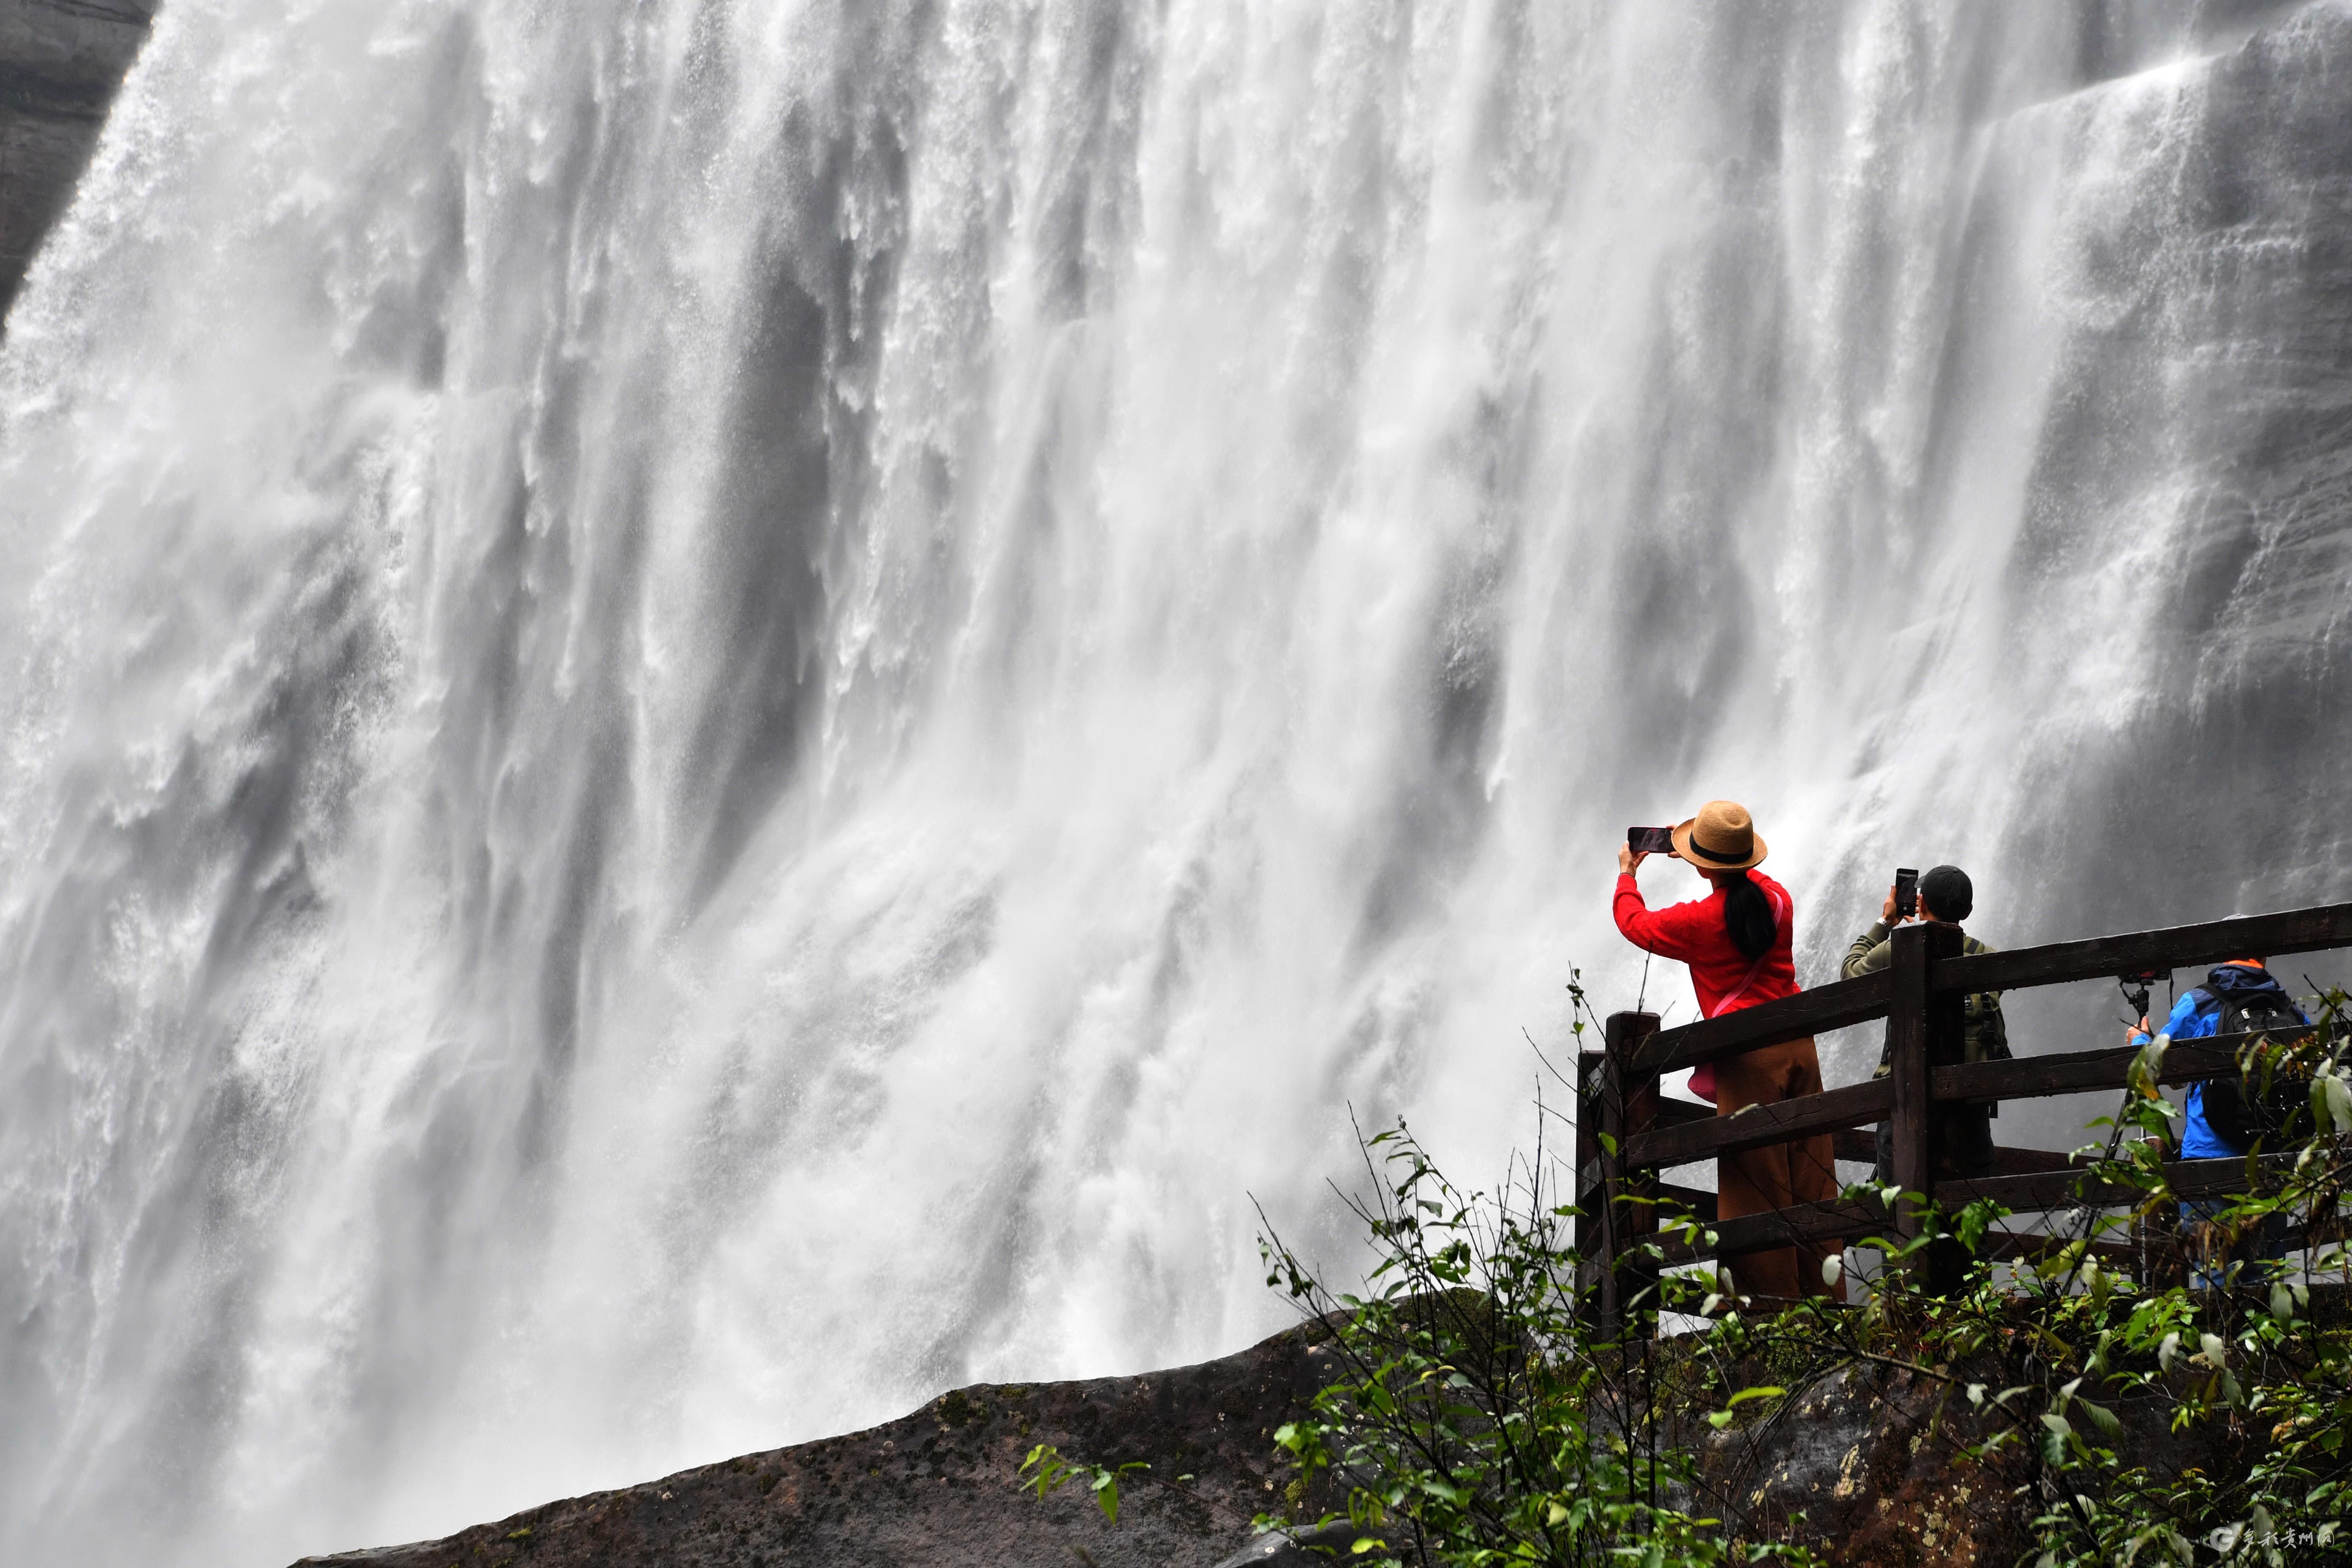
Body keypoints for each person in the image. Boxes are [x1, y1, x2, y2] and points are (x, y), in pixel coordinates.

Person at [1614, 799, 1835, 1302]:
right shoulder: (1778, 899)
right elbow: (1749, 884)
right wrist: (1701, 857)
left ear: (1707, 864)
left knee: (1756, 1187)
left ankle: (1770, 1313)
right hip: (1800, 1049)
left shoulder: (1701, 922)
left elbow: (1635, 923)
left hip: (1748, 1060)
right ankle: (1829, 1301)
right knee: (1812, 1178)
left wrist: (1629, 873)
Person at [2125, 959, 2307, 1285]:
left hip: (2210, 1154)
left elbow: (2155, 1066)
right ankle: (2265, 1333)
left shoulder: (2200, 1001)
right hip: (2273, 1155)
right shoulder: (2288, 1007)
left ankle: (2218, 1332)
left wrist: (2139, 1040)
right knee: (2264, 1270)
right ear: (2262, 961)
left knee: (2212, 1270)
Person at [1840, 865, 2006, 1184]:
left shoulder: (1900, 947)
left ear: (1920, 904)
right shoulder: (1988, 956)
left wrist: (1885, 923)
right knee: (1969, 1205)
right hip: (1971, 1105)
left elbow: (1851, 974)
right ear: (1968, 911)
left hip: (1907, 1103)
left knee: (1900, 1207)